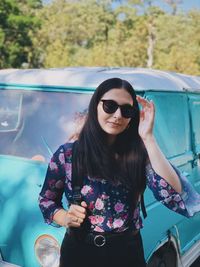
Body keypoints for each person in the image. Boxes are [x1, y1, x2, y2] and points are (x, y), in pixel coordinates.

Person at [39, 78, 200, 267]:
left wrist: (148, 138)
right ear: (95, 105)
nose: (117, 115)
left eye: (126, 110)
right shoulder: (67, 154)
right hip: (79, 251)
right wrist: (65, 217)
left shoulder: (139, 154)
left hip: (126, 252)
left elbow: (175, 192)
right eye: (110, 106)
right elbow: (47, 200)